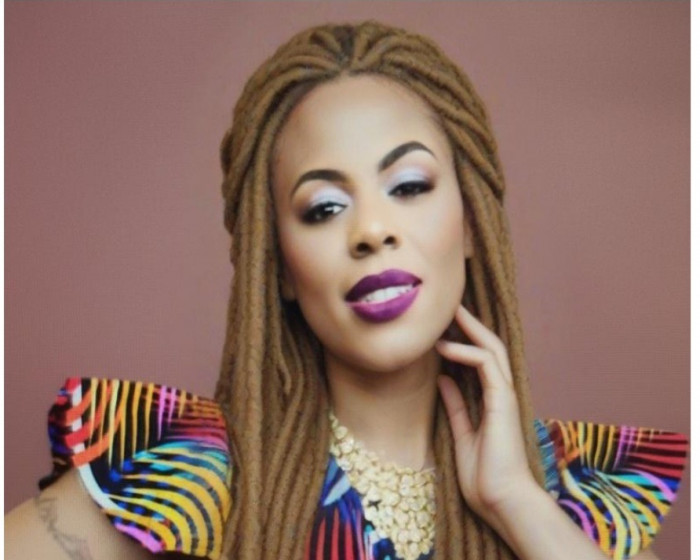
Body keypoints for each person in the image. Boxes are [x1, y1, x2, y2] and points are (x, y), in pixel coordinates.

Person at [4, 20, 687, 560]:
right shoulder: (186, 475)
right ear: (279, 267)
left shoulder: (567, 500)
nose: (372, 231)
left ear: (472, 223)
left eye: (409, 186)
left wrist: (516, 502)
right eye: (324, 208)